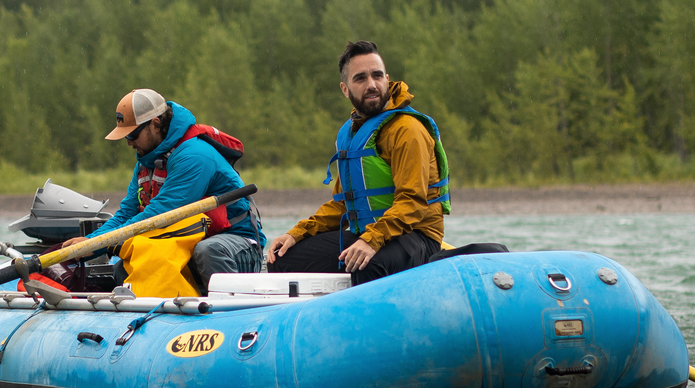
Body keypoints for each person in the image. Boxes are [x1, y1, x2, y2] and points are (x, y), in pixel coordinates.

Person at [267, 41, 451, 284]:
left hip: (416, 235)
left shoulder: (408, 131)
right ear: (345, 89)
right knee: (283, 259)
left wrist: (371, 240)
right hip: (369, 235)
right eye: (360, 78)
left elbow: (412, 204)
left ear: (387, 79)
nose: (371, 84)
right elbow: (342, 205)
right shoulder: (351, 134)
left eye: (377, 76)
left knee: (368, 266)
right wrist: (297, 233)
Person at [84, 88, 264, 290]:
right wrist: (87, 243)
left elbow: (159, 215)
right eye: (126, 136)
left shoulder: (194, 156)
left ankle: (229, 308)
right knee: (122, 270)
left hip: (238, 245)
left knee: (207, 251)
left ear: (155, 123)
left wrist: (98, 243)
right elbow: (127, 213)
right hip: (189, 242)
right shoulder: (146, 161)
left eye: (133, 134)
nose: (129, 142)